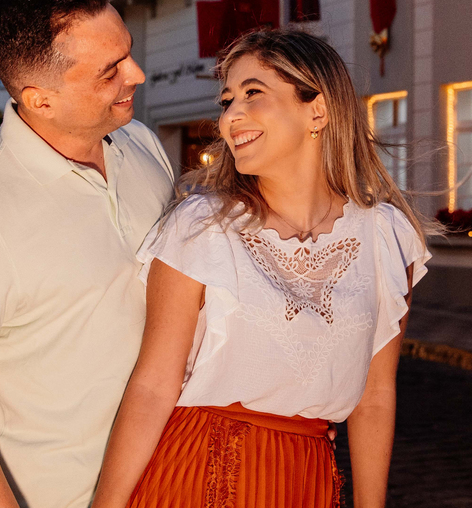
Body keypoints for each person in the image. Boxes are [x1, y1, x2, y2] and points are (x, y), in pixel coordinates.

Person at [92, 28, 431, 508]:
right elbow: (152, 385)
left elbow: (375, 396)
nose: (231, 116)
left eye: (253, 94)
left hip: (309, 478)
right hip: (196, 472)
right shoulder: (202, 226)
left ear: (318, 110)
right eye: (227, 100)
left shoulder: (386, 236)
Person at [0, 0, 175, 508]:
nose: (137, 75)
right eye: (111, 71)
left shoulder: (144, 145)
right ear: (40, 99)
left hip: (177, 481)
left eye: (127, 54)